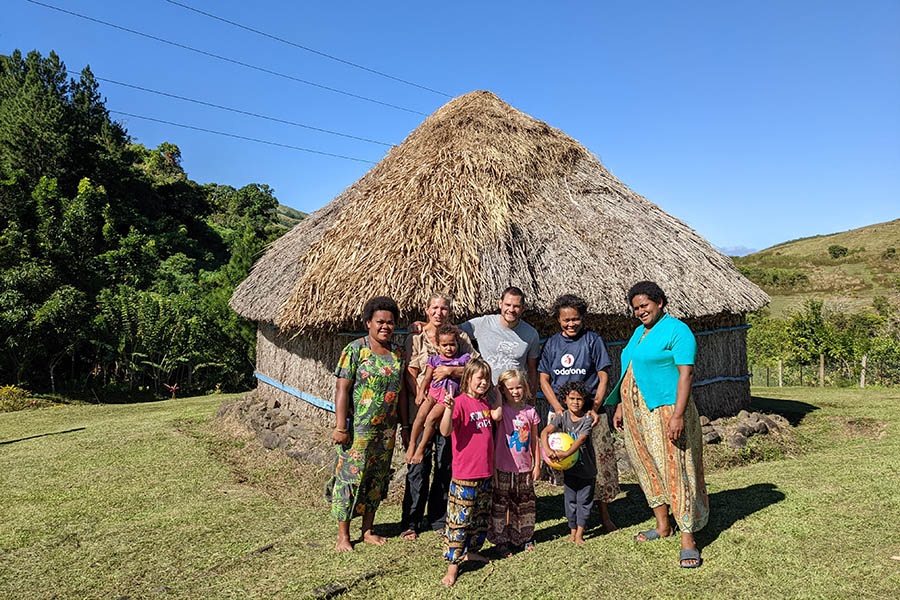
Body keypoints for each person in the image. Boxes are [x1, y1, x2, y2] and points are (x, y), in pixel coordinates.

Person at [605, 281, 709, 568]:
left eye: (645, 305)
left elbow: (685, 375)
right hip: (636, 414)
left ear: (660, 302)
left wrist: (677, 414)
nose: (640, 311)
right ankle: (663, 525)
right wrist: (620, 406)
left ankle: (688, 537)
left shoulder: (677, 330)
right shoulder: (639, 333)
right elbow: (630, 369)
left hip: (665, 411)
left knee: (677, 468)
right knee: (646, 466)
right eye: (636, 308)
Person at [327, 296, 406, 553]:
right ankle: (343, 535)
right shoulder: (354, 350)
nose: (386, 326)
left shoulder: (397, 354)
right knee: (350, 480)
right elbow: (342, 388)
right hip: (358, 431)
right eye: (380, 322)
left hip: (385, 432)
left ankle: (368, 530)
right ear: (368, 322)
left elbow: (402, 393)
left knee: (376, 479)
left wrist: (404, 426)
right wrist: (341, 426)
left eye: (391, 322)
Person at [538, 294, 620, 531]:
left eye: (575, 319)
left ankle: (604, 515)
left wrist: (594, 408)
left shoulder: (593, 341)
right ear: (558, 320)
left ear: (582, 318)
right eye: (566, 320)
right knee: (566, 463)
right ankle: (574, 519)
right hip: (562, 415)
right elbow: (544, 378)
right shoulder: (552, 344)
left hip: (591, 415)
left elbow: (603, 376)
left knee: (599, 466)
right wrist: (558, 409)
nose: (571, 324)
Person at [401, 294, 477, 540]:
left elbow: (476, 368)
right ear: (426, 310)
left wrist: (452, 370)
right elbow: (411, 371)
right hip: (424, 408)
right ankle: (411, 521)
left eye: (444, 308)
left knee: (445, 463)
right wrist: (421, 396)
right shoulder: (416, 338)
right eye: (434, 308)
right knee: (418, 466)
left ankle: (438, 518)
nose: (439, 312)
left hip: (450, 411)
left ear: (450, 312)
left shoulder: (460, 338)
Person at [438, 358, 502, 586]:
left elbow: (498, 416)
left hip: (485, 473)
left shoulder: (485, 404)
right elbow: (445, 431)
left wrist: (498, 393)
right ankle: (452, 566)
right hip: (465, 475)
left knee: (479, 518)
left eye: (487, 378)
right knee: (459, 521)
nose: (483, 382)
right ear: (468, 379)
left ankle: (471, 551)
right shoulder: (460, 403)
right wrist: (448, 409)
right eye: (480, 378)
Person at [488, 369, 541, 556]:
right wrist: (499, 397)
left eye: (519, 387)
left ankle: (523, 537)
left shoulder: (531, 412)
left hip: (524, 467)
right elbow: (496, 416)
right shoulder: (501, 412)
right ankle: (501, 540)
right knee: (501, 504)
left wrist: (537, 465)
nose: (515, 392)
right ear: (503, 391)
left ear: (525, 388)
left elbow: (535, 441)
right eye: (510, 389)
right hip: (502, 465)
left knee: (524, 504)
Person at [405, 324, 471, 465]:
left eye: (452, 344)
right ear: (438, 346)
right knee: (420, 416)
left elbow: (472, 371)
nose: (449, 348)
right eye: (444, 345)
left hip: (447, 397)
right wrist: (420, 393)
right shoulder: (434, 360)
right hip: (433, 393)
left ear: (457, 344)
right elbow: (427, 379)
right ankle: (412, 444)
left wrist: (452, 370)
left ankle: (421, 448)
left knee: (430, 419)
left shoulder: (462, 359)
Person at [541, 381, 596, 545]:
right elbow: (545, 432)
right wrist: (547, 450)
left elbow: (580, 440)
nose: (575, 402)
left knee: (584, 502)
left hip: (587, 470)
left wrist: (565, 454)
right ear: (565, 399)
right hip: (569, 470)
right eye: (572, 398)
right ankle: (572, 531)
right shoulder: (562, 417)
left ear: (584, 400)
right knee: (570, 501)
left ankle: (580, 533)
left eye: (579, 399)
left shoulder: (587, 419)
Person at [459, 286, 541, 393]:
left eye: (516, 306)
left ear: (523, 308)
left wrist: (532, 399)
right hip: (486, 395)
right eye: (507, 305)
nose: (511, 310)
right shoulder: (483, 323)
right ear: (500, 304)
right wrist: (471, 355)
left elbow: (532, 370)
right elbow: (453, 332)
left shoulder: (531, 334)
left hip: (514, 398)